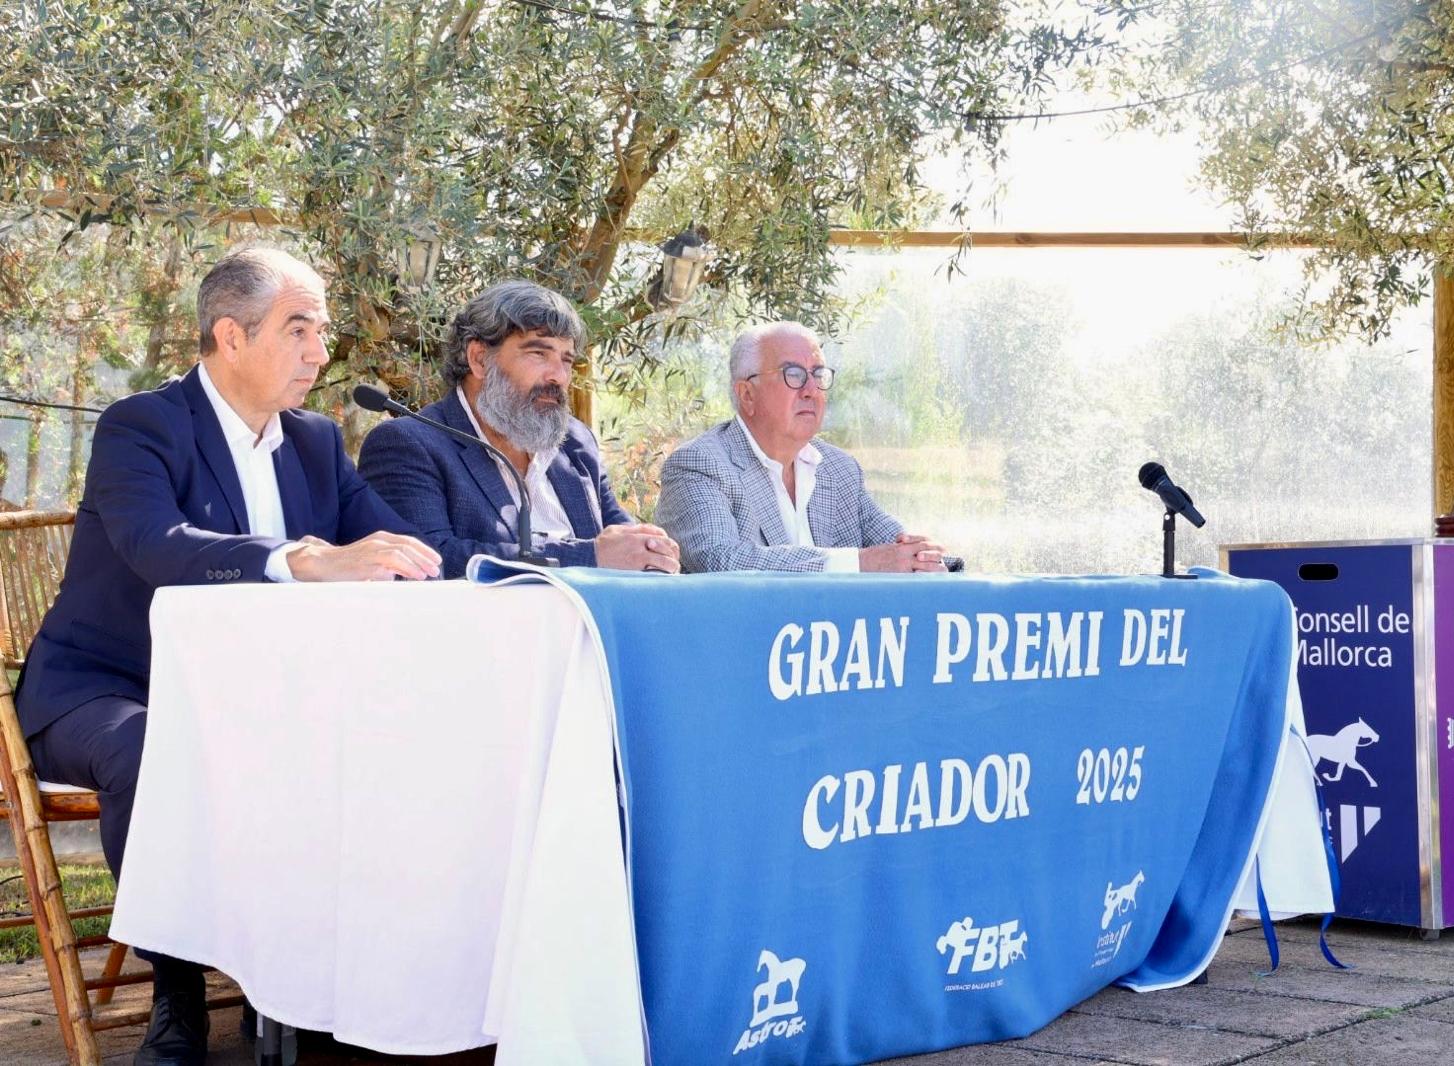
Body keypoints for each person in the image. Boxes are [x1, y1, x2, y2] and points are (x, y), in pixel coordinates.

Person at [16, 248, 441, 1066]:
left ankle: (287, 984)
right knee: (156, 749)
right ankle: (175, 994)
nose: (320, 351)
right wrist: (299, 558)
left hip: (260, 697)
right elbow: (157, 543)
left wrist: (551, 562)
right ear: (230, 336)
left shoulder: (315, 442)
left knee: (366, 740)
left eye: (323, 331)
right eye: (299, 329)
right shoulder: (141, 426)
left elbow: (404, 545)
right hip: (107, 687)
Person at [358, 280, 679, 577]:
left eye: (567, 360)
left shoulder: (575, 443)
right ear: (479, 359)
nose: (558, 376)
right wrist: (588, 556)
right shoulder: (407, 444)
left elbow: (622, 545)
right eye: (539, 353)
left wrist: (650, 551)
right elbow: (428, 565)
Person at [657, 321, 947, 573]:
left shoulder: (839, 469)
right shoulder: (699, 465)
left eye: (818, 375)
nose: (811, 390)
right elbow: (723, 561)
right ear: (747, 394)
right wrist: (859, 563)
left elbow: (896, 548)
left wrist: (928, 561)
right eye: (794, 374)